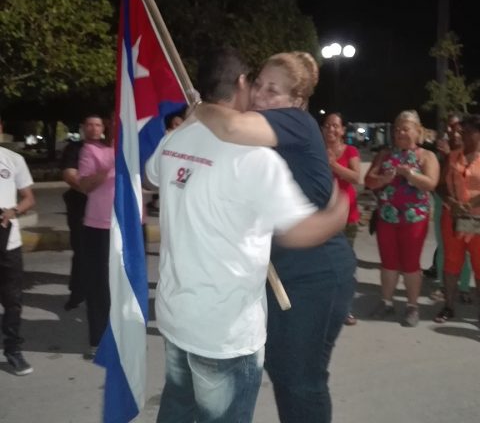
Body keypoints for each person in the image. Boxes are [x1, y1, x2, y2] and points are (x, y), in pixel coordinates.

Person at [145, 48, 350, 423]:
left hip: (314, 265)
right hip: (269, 274)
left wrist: (202, 108)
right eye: (258, 84)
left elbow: (228, 128)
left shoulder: (292, 125)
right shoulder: (246, 141)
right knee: (276, 373)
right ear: (243, 83)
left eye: (273, 90)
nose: (259, 96)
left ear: (297, 102)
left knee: (298, 380)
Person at [364, 110, 439, 327]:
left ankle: (412, 306)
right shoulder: (385, 154)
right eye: (397, 129)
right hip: (387, 217)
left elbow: (431, 183)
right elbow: (369, 180)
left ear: (417, 131)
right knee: (388, 262)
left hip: (414, 218)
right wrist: (384, 178)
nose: (400, 133)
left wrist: (411, 175)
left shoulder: (426, 156)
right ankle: (386, 302)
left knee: (410, 264)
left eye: (405, 129)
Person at [434, 114, 480, 323]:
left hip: (477, 220)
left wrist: (472, 203)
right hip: (453, 218)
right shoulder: (453, 157)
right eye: (462, 131)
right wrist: (452, 202)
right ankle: (448, 306)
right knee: (452, 263)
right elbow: (440, 185)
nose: (461, 134)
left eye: (467, 131)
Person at [78, 114, 115, 358]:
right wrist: (107, 169)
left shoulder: (134, 150)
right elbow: (85, 185)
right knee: (100, 286)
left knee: (126, 286)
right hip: (100, 226)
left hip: (130, 225)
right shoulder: (91, 151)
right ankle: (98, 340)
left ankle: (124, 337)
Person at [59, 114, 105, 311]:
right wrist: (93, 186)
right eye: (90, 125)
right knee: (81, 251)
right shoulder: (75, 148)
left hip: (104, 209)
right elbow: (70, 175)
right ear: (83, 127)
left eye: (97, 125)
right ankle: (77, 292)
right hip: (80, 207)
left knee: (104, 253)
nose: (94, 128)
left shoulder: (110, 149)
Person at [428, 113, 473, 302]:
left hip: (469, 207)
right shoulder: (443, 150)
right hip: (444, 204)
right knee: (446, 248)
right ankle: (443, 287)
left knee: (468, 249)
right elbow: (437, 180)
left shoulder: (470, 151)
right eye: (450, 127)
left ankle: (464, 288)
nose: (453, 131)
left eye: (457, 127)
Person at [322, 112, 361, 326]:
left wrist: (333, 165)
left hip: (347, 216)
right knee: (322, 264)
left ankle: (345, 308)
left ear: (343, 130)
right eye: (327, 125)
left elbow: (356, 177)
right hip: (321, 216)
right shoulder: (315, 148)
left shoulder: (351, 151)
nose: (331, 129)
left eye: (336, 126)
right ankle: (325, 306)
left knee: (345, 264)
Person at [0, 146, 35, 375]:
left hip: (8, 242)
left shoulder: (13, 159)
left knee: (13, 300)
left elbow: (28, 198)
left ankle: (13, 350)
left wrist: (12, 211)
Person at [146, 110, 185, 217]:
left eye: (181, 124)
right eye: (175, 124)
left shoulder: (187, 142)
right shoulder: (164, 141)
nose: (178, 127)